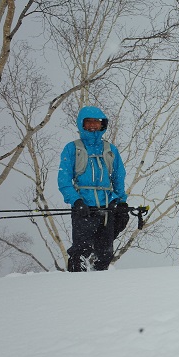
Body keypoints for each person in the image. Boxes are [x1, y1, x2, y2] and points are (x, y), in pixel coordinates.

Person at [58, 106, 129, 272]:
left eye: (96, 122)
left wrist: (121, 201)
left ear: (102, 125)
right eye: (88, 122)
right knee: (80, 252)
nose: (92, 126)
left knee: (105, 254)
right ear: (81, 124)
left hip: (107, 207)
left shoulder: (110, 149)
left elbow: (118, 177)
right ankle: (76, 284)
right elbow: (64, 179)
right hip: (84, 207)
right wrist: (76, 201)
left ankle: (99, 286)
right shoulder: (72, 148)